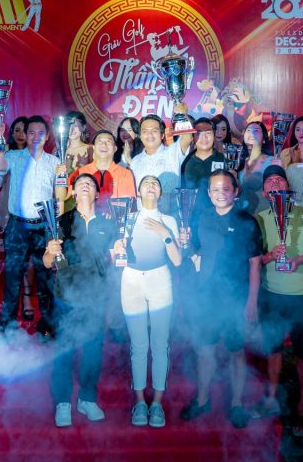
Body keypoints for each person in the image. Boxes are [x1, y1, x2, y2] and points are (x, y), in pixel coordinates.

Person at [179, 170, 263, 429]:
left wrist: (251, 302)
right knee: (205, 350)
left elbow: (255, 264)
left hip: (236, 297)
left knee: (236, 351)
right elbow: (193, 252)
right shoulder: (201, 217)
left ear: (235, 191)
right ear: (208, 193)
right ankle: (202, 400)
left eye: (225, 188)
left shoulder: (247, 221)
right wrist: (185, 243)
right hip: (206, 296)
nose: (220, 193)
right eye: (215, 189)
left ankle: (236, 404)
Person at [251, 165, 303, 437]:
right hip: (271, 295)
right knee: (272, 349)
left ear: (288, 188)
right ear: (264, 192)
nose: (275, 183)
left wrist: (300, 259)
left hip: (302, 296)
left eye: (279, 180)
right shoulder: (258, 220)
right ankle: (270, 399)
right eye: (269, 181)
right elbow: (253, 260)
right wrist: (269, 256)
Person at [43, 174, 114, 427]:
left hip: (96, 298)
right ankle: (63, 402)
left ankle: (87, 399)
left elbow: (114, 261)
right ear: (72, 192)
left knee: (93, 353)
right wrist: (50, 253)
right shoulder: (61, 221)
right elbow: (47, 262)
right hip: (67, 297)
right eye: (80, 183)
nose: (85, 186)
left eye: (90, 184)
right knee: (64, 352)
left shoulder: (108, 223)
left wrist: (119, 253)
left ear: (97, 193)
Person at [112, 175, 182, 428]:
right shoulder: (126, 218)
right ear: (138, 192)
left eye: (156, 183)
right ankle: (141, 402)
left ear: (160, 193)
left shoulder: (169, 220)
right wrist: (117, 249)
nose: (151, 186)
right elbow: (115, 259)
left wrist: (165, 234)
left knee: (160, 344)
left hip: (160, 280)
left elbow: (177, 260)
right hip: (131, 281)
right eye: (146, 183)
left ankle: (157, 404)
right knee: (139, 345)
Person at [0, 115, 60, 332]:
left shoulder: (55, 162)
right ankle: (8, 326)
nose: (36, 137)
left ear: (47, 137)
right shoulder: (13, 156)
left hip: (44, 227)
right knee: (12, 277)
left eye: (41, 133)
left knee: (45, 278)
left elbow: (60, 193)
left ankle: (48, 325)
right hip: (17, 226)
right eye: (31, 132)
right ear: (25, 135)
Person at [128, 110, 194, 214]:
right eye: (145, 131)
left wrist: (181, 113)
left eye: (154, 131)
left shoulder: (173, 151)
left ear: (162, 135)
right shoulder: (135, 161)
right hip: (144, 217)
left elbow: (187, 137)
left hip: (171, 216)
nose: (149, 134)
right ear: (140, 136)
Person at [67, 130, 136, 203]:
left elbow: (127, 204)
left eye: (108, 141)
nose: (104, 145)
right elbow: (68, 199)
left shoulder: (125, 174)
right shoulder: (81, 172)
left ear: (115, 149)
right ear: (93, 147)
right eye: (100, 141)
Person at [180, 118, 227, 214]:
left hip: (217, 215)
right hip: (191, 216)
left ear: (214, 135)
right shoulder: (185, 161)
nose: (204, 138)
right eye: (198, 134)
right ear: (193, 137)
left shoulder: (224, 160)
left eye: (208, 133)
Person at [239, 120, 274, 214]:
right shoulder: (237, 160)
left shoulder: (272, 162)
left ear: (264, 139)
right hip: (241, 213)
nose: (252, 133)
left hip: (263, 213)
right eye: (249, 130)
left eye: (256, 131)